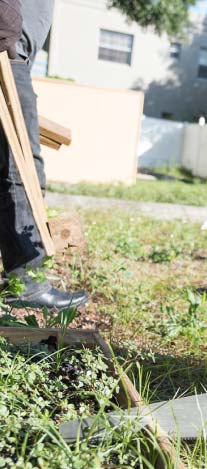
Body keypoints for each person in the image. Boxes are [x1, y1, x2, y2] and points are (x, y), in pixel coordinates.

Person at [0, 0, 87, 310]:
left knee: (12, 165)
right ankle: (27, 283)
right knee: (22, 169)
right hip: (6, 52)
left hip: (13, 53)